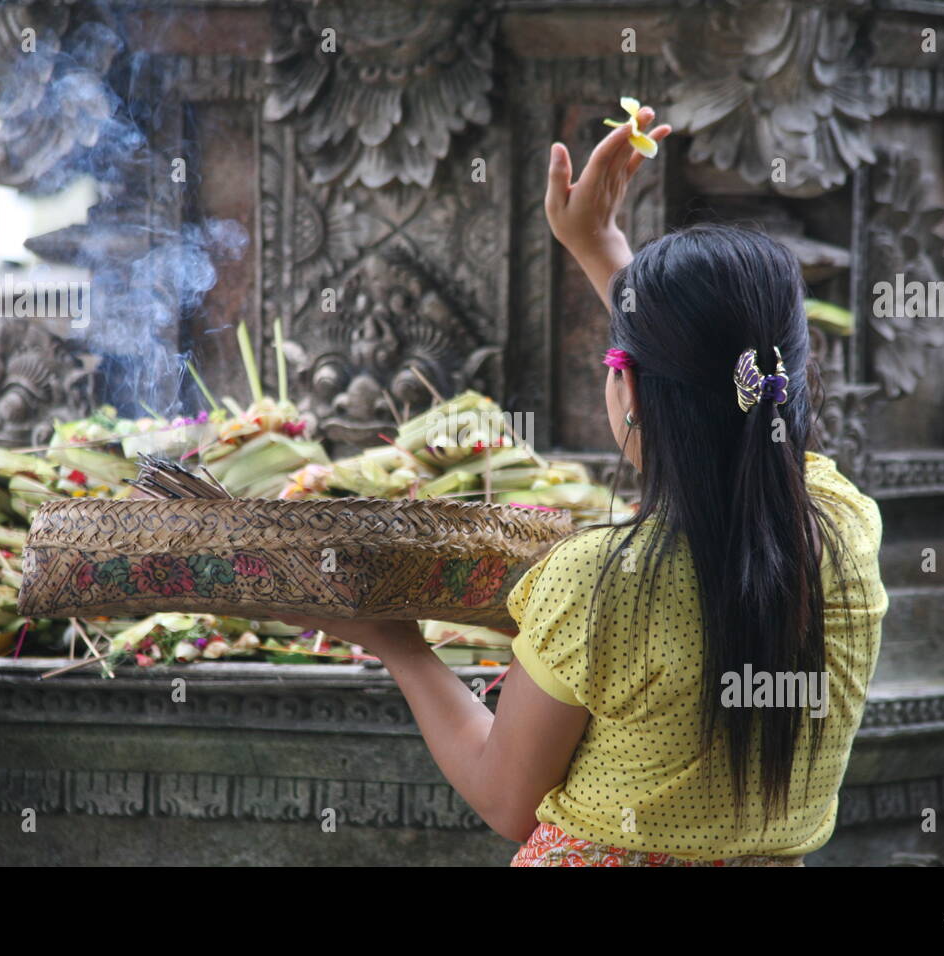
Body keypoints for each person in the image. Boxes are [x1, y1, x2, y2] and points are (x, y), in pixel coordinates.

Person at [274, 107, 888, 867]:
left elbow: (506, 800)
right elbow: (732, 402)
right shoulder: (849, 528)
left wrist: (398, 645)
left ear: (627, 393)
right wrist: (602, 251)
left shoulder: (601, 585)